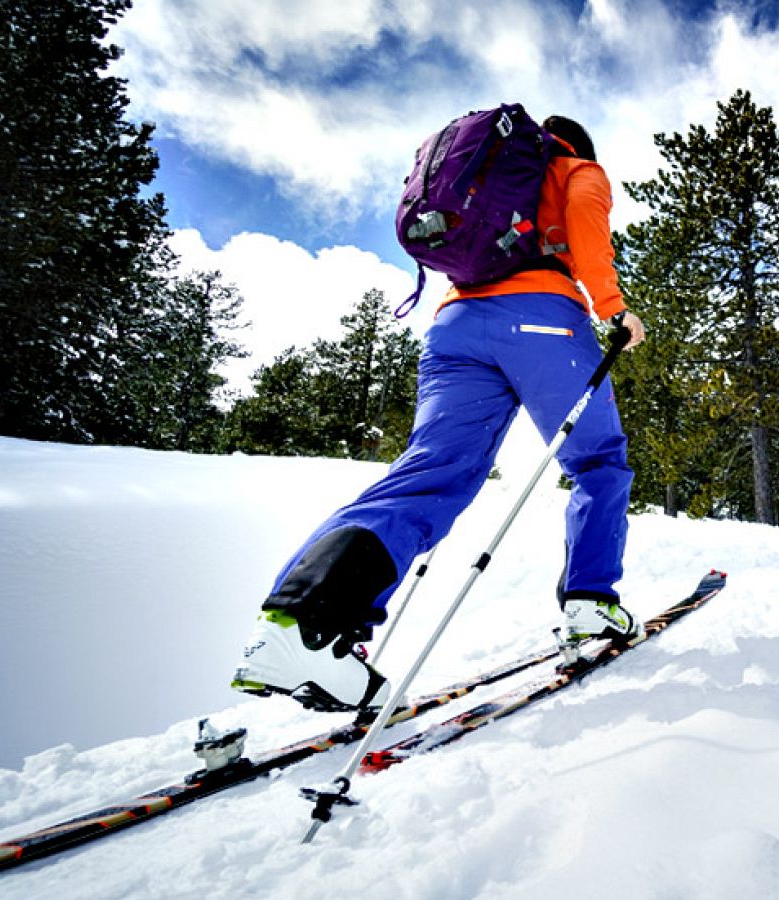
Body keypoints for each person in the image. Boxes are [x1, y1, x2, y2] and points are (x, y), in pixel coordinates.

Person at [231, 115, 647, 712]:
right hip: (541, 317)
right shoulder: (576, 168)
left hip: (453, 328)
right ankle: (590, 604)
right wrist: (613, 307)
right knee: (599, 462)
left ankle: (301, 625)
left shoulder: (488, 174)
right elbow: (585, 224)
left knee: (433, 468)